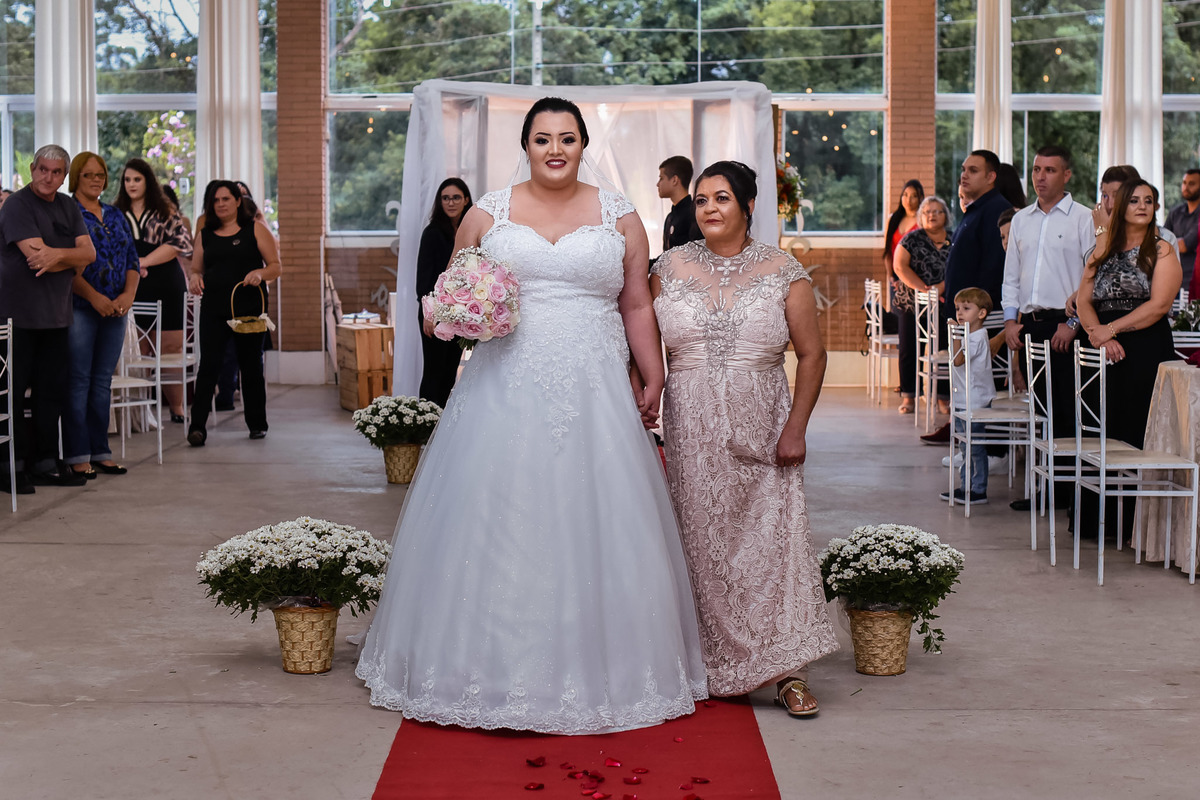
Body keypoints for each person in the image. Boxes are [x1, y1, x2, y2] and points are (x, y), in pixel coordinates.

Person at [357, 96, 707, 734]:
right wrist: (452, 318)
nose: (555, 149)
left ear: (582, 146)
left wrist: (652, 368)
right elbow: (446, 294)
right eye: (543, 138)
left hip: (596, 382)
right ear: (526, 145)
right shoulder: (487, 213)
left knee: (599, 516)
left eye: (567, 138)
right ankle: (486, 671)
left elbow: (635, 303)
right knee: (498, 513)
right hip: (504, 382)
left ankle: (610, 669)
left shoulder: (620, 215)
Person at [651, 160, 838, 717]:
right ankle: (701, 664)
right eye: (703, 199)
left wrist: (796, 427)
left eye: (722, 198)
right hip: (690, 428)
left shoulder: (785, 271)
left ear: (748, 205)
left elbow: (812, 354)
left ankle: (787, 671)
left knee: (772, 547)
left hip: (764, 425)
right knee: (698, 543)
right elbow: (643, 342)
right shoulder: (668, 267)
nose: (709, 207)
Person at [1076, 179, 1182, 537]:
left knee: (1137, 429)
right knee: (1103, 430)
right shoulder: (1101, 250)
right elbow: (1083, 301)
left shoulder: (1162, 250)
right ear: (1119, 207)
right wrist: (1096, 334)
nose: (1142, 206)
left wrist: (1112, 330)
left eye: (1149, 201)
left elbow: (1159, 306)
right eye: (1134, 200)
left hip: (1145, 348)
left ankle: (1135, 528)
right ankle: (1098, 523)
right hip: (1104, 349)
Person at [1000, 146, 1093, 511]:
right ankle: (1048, 489)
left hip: (1068, 327)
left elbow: (1092, 278)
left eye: (1050, 170)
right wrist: (1010, 321)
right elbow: (1011, 277)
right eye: (1037, 169)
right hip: (1031, 326)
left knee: (1070, 412)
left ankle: (1071, 493)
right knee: (1043, 413)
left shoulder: (1084, 219)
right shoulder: (1022, 219)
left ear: (1066, 175)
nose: (1040, 177)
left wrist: (1073, 323)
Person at [0, 145, 96, 493]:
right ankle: (10, 466)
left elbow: (91, 254)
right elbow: (36, 257)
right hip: (17, 317)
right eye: (43, 169)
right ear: (32, 168)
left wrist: (58, 254)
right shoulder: (17, 205)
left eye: (56, 172)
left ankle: (44, 462)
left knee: (49, 395)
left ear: (64, 176)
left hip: (56, 316)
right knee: (11, 396)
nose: (48, 177)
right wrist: (69, 256)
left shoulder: (68, 205)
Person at [921, 149, 1011, 444]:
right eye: (963, 169)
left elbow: (994, 265)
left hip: (982, 317)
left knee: (984, 385)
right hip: (966, 315)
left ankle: (992, 449)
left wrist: (976, 311)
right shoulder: (976, 209)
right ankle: (971, 445)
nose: (964, 174)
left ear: (991, 176)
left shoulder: (996, 209)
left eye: (973, 170)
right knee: (966, 382)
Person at [186, 181, 282, 445]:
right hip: (214, 307)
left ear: (238, 201)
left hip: (249, 308)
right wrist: (195, 278)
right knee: (209, 366)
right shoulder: (205, 234)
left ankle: (257, 423)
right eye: (216, 200)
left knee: (250, 365)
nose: (221, 204)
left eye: (226, 199)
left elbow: (275, 267)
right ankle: (197, 427)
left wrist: (260, 273)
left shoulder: (256, 229)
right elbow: (196, 268)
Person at [64, 151, 140, 479]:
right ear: (76, 178)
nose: (96, 180)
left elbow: (132, 261)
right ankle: (78, 454)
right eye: (89, 175)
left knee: (101, 382)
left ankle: (101, 451)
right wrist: (95, 297)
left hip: (117, 310)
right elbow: (66, 268)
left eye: (101, 175)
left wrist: (127, 296)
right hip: (82, 308)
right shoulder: (67, 213)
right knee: (78, 381)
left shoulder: (115, 214)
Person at [115, 158, 193, 423]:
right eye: (127, 180)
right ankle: (139, 412)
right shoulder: (115, 212)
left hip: (166, 283)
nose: (132, 184)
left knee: (171, 348)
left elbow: (180, 243)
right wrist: (132, 267)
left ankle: (177, 408)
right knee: (138, 348)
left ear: (147, 181)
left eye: (137, 179)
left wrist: (143, 262)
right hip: (129, 284)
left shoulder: (165, 210)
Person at [415, 177, 472, 407]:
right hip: (434, 312)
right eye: (445, 198)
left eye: (456, 197)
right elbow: (424, 278)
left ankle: (441, 428)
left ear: (466, 199)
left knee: (450, 371)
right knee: (433, 371)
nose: (450, 202)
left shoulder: (470, 229)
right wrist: (429, 314)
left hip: (458, 312)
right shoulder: (432, 232)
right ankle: (426, 426)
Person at [941, 287, 1000, 505]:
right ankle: (965, 486)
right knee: (964, 447)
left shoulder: (977, 337)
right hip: (962, 398)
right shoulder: (967, 335)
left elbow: (958, 360)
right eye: (958, 308)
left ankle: (978, 489)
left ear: (981, 313)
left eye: (966, 308)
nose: (960, 313)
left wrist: (955, 334)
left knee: (974, 446)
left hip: (974, 400)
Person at [893, 195, 950, 414]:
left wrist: (941, 288)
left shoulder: (954, 239)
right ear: (920, 216)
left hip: (944, 305)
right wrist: (924, 289)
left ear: (946, 216)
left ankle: (943, 398)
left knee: (945, 349)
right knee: (910, 348)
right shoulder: (911, 238)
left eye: (937, 211)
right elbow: (900, 266)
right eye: (927, 212)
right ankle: (909, 397)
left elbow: (958, 268)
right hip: (912, 303)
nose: (932, 215)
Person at [883, 179, 924, 312]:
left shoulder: (923, 220)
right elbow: (888, 250)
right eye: (905, 195)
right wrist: (890, 275)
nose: (908, 199)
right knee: (896, 315)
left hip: (914, 277)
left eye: (913, 196)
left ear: (920, 198)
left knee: (912, 317)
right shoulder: (894, 219)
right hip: (895, 278)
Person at [656, 155, 703, 256]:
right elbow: (666, 257)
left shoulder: (694, 214)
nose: (658, 184)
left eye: (661, 178)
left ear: (674, 180)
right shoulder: (671, 217)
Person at [1164, 168, 1199, 291]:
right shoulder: (1175, 212)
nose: (1186, 187)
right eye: (1184, 183)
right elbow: (1160, 241)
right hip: (1173, 278)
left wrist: (1167, 244)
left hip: (1194, 280)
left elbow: (1184, 245)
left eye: (1192, 184)